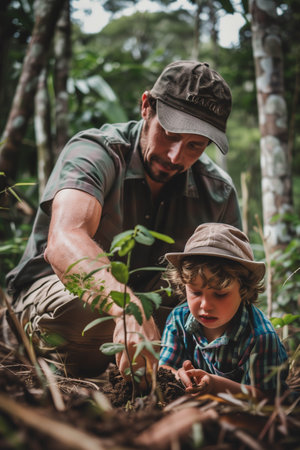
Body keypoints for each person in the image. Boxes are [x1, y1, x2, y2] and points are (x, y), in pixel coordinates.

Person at [4, 60, 242, 379]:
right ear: (146, 106)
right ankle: (53, 361)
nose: (175, 156)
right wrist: (126, 307)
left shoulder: (218, 192)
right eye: (169, 135)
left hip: (158, 318)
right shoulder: (95, 152)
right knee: (82, 315)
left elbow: (233, 289)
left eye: (194, 146)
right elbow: (64, 242)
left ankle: (139, 370)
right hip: (60, 297)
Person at [159, 223, 289, 399]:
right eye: (196, 292)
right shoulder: (178, 320)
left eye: (220, 294)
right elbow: (164, 369)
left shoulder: (260, 337)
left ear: (244, 290)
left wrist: (214, 385)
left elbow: (266, 396)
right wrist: (179, 376)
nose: (205, 305)